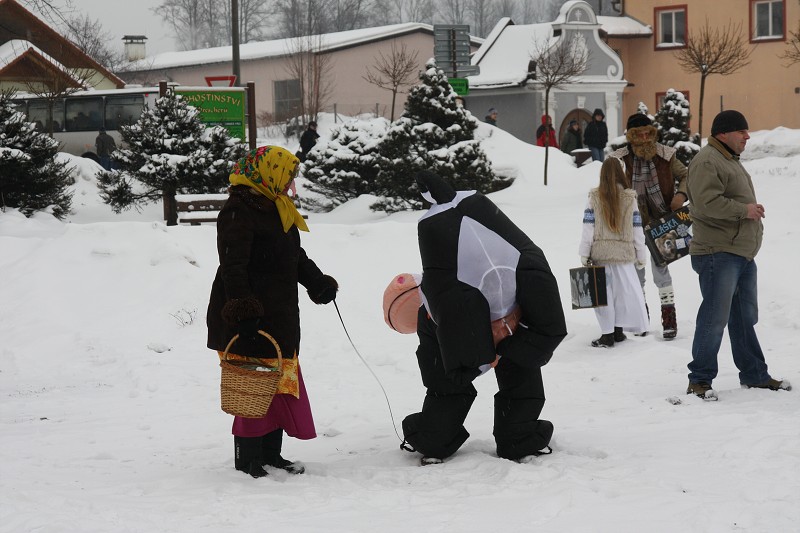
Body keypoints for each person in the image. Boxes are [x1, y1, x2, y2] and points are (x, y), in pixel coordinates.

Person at [400, 170, 567, 465]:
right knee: (448, 389)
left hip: (511, 317)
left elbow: (547, 328)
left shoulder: (526, 273)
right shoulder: (449, 303)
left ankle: (518, 436)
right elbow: (457, 363)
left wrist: (510, 347)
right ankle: (435, 437)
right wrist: (478, 360)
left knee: (521, 376)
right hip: (445, 326)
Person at [206, 145, 339, 477]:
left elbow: (294, 255)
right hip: (247, 317)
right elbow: (233, 268)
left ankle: (271, 454)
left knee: (277, 384)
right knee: (252, 384)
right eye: (288, 176)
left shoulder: (277, 206)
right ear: (269, 173)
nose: (291, 184)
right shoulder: (238, 211)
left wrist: (317, 283)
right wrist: (244, 311)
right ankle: (247, 458)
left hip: (278, 313)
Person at [685, 110, 791, 400]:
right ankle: (699, 380)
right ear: (723, 134)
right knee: (714, 318)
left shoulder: (727, 159)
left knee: (744, 317)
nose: (747, 137)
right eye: (742, 132)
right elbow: (706, 203)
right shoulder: (708, 160)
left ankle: (755, 374)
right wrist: (744, 211)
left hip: (739, 253)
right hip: (717, 253)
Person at [608, 113, 688, 339]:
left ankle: (669, 319)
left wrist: (681, 195)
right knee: (636, 274)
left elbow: (687, 176)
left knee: (662, 271)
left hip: (662, 222)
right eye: (639, 134)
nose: (644, 138)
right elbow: (608, 187)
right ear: (631, 136)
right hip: (631, 224)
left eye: (647, 133)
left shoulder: (665, 154)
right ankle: (640, 317)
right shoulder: (619, 159)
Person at [579, 158, 649, 347]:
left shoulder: (594, 197)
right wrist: (641, 255)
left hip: (600, 255)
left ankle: (607, 335)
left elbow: (588, 228)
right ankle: (618, 331)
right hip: (624, 256)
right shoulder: (629, 198)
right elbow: (637, 230)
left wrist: (584, 253)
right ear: (621, 172)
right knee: (622, 294)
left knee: (603, 296)